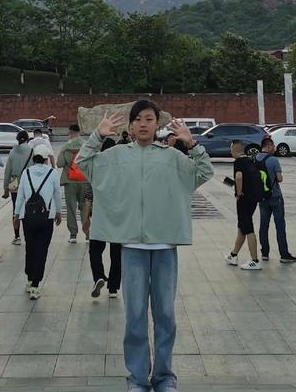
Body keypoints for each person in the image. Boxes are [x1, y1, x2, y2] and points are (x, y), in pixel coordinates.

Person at [77, 101, 213, 392]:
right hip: (132, 247)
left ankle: (164, 377)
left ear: (157, 124)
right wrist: (97, 136)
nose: (142, 124)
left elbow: (203, 173)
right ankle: (138, 379)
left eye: (148, 119)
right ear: (130, 125)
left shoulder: (171, 157)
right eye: (137, 119)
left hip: (164, 246)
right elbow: (83, 164)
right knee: (135, 316)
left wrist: (192, 145)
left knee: (165, 315)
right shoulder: (115, 156)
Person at [14, 142, 61, 300]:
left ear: (33, 158)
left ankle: (29, 278)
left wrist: (16, 215)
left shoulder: (26, 173)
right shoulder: (53, 174)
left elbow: (20, 195)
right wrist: (58, 212)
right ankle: (35, 285)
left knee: (30, 248)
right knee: (42, 250)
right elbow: (57, 194)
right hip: (46, 218)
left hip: (27, 217)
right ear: (47, 159)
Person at [82, 136, 122, 298]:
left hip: (100, 216)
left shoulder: (96, 168)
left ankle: (98, 275)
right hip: (119, 217)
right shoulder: (122, 170)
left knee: (95, 250)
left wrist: (85, 220)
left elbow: (88, 199)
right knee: (117, 253)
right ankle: (113, 288)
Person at [255, 136, 296, 263]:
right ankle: (284, 254)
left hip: (262, 197)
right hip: (275, 197)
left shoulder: (255, 159)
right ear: (268, 146)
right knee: (280, 225)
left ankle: (264, 253)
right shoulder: (273, 160)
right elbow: (279, 179)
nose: (274, 148)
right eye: (273, 146)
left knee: (263, 225)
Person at [225, 139, 263, 270]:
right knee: (242, 226)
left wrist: (239, 193)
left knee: (248, 228)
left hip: (244, 199)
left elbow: (239, 177)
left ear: (234, 150)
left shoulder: (238, 162)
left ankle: (255, 260)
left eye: (230, 149)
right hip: (253, 198)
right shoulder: (251, 160)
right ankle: (233, 255)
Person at [58, 123, 87, 243]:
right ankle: (88, 234)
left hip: (70, 181)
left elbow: (59, 163)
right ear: (79, 132)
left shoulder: (66, 146)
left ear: (71, 132)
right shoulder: (86, 145)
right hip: (85, 180)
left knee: (71, 208)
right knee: (85, 207)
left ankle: (73, 235)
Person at [2, 129, 33, 243]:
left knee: (16, 209)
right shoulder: (32, 151)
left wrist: (5, 188)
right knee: (28, 210)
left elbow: (7, 171)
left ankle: (17, 236)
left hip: (14, 184)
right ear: (27, 139)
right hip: (29, 184)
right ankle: (28, 235)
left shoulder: (13, 152)